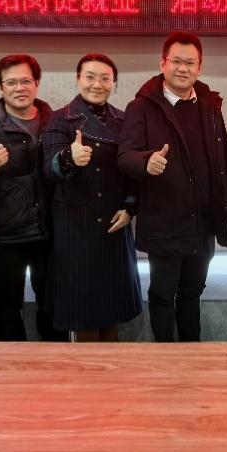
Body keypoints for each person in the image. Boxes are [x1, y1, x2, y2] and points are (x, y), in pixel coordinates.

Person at [118, 32, 227, 342]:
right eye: (176, 61)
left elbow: (222, 157)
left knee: (193, 292)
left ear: (199, 67)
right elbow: (125, 156)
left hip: (202, 223)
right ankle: (165, 355)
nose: (183, 68)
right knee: (163, 294)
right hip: (164, 221)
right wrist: (146, 161)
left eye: (190, 62)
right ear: (163, 64)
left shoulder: (210, 106)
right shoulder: (141, 107)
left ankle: (191, 350)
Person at [0, 53, 66, 342]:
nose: (20, 88)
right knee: (6, 310)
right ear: (0, 87)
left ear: (37, 82)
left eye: (26, 81)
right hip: (4, 237)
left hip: (49, 233)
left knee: (53, 306)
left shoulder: (55, 122)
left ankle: (57, 361)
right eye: (11, 82)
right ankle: (11, 365)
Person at [42, 53, 142, 341]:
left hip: (114, 224)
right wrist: (68, 158)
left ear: (114, 83)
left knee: (112, 309)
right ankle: (86, 370)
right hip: (76, 227)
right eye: (90, 77)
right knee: (82, 311)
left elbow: (133, 173)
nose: (97, 84)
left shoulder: (124, 120)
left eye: (105, 78)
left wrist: (130, 208)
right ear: (77, 79)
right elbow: (49, 170)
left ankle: (111, 367)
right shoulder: (60, 119)